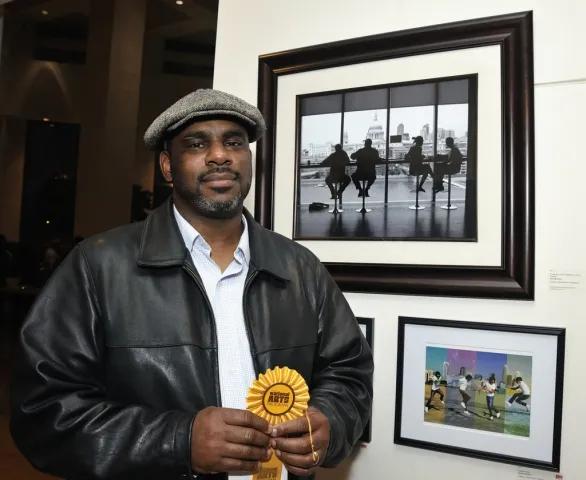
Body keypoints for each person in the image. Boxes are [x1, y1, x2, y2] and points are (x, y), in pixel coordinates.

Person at [9, 89, 374, 480]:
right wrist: (178, 442)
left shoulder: (299, 266)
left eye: (234, 142)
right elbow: (44, 412)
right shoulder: (98, 266)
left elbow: (348, 373)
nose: (220, 155)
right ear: (167, 166)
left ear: (249, 160)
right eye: (197, 144)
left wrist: (331, 423)